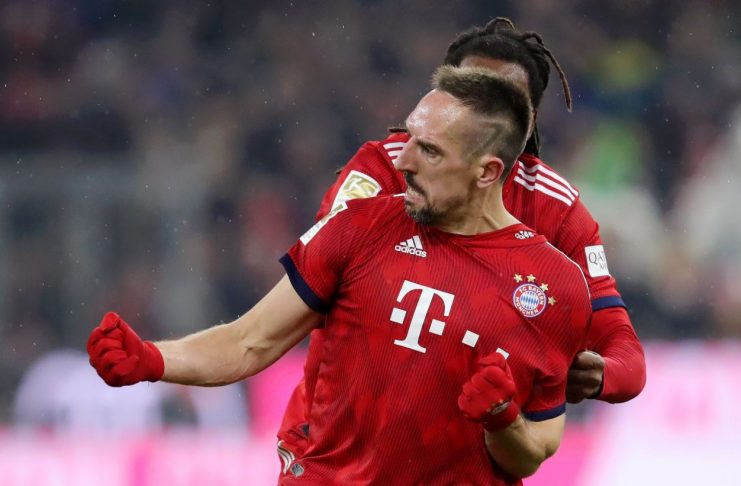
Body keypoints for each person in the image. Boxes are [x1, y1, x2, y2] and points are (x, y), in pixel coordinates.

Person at [88, 66, 592, 484]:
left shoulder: (553, 287)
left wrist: (503, 421)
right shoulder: (358, 227)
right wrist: (154, 358)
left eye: (430, 151)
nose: (405, 161)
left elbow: (534, 451)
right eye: (409, 138)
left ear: (487, 172)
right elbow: (249, 341)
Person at [276, 16, 646, 475]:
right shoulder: (384, 168)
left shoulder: (557, 210)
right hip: (334, 452)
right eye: (466, 92)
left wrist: (596, 374)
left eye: (502, 100)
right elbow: (307, 294)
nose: (479, 108)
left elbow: (627, 358)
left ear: (527, 122)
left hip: (458, 467)